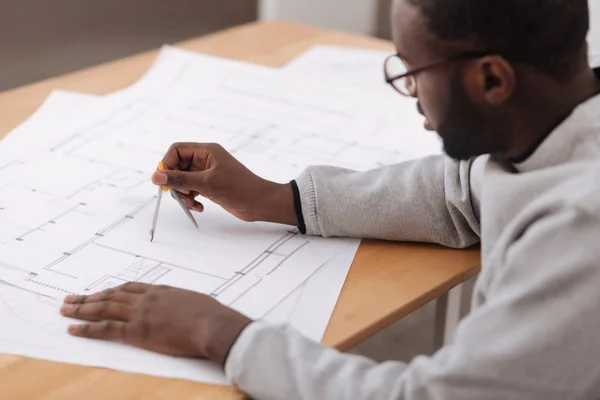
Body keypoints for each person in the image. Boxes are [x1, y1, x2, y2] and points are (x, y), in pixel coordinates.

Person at [59, 0, 600, 398]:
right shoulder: (555, 125)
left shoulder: (580, 229)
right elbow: (460, 189)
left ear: (491, 79)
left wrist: (220, 333)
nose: (409, 94)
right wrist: (277, 199)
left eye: (411, 73)